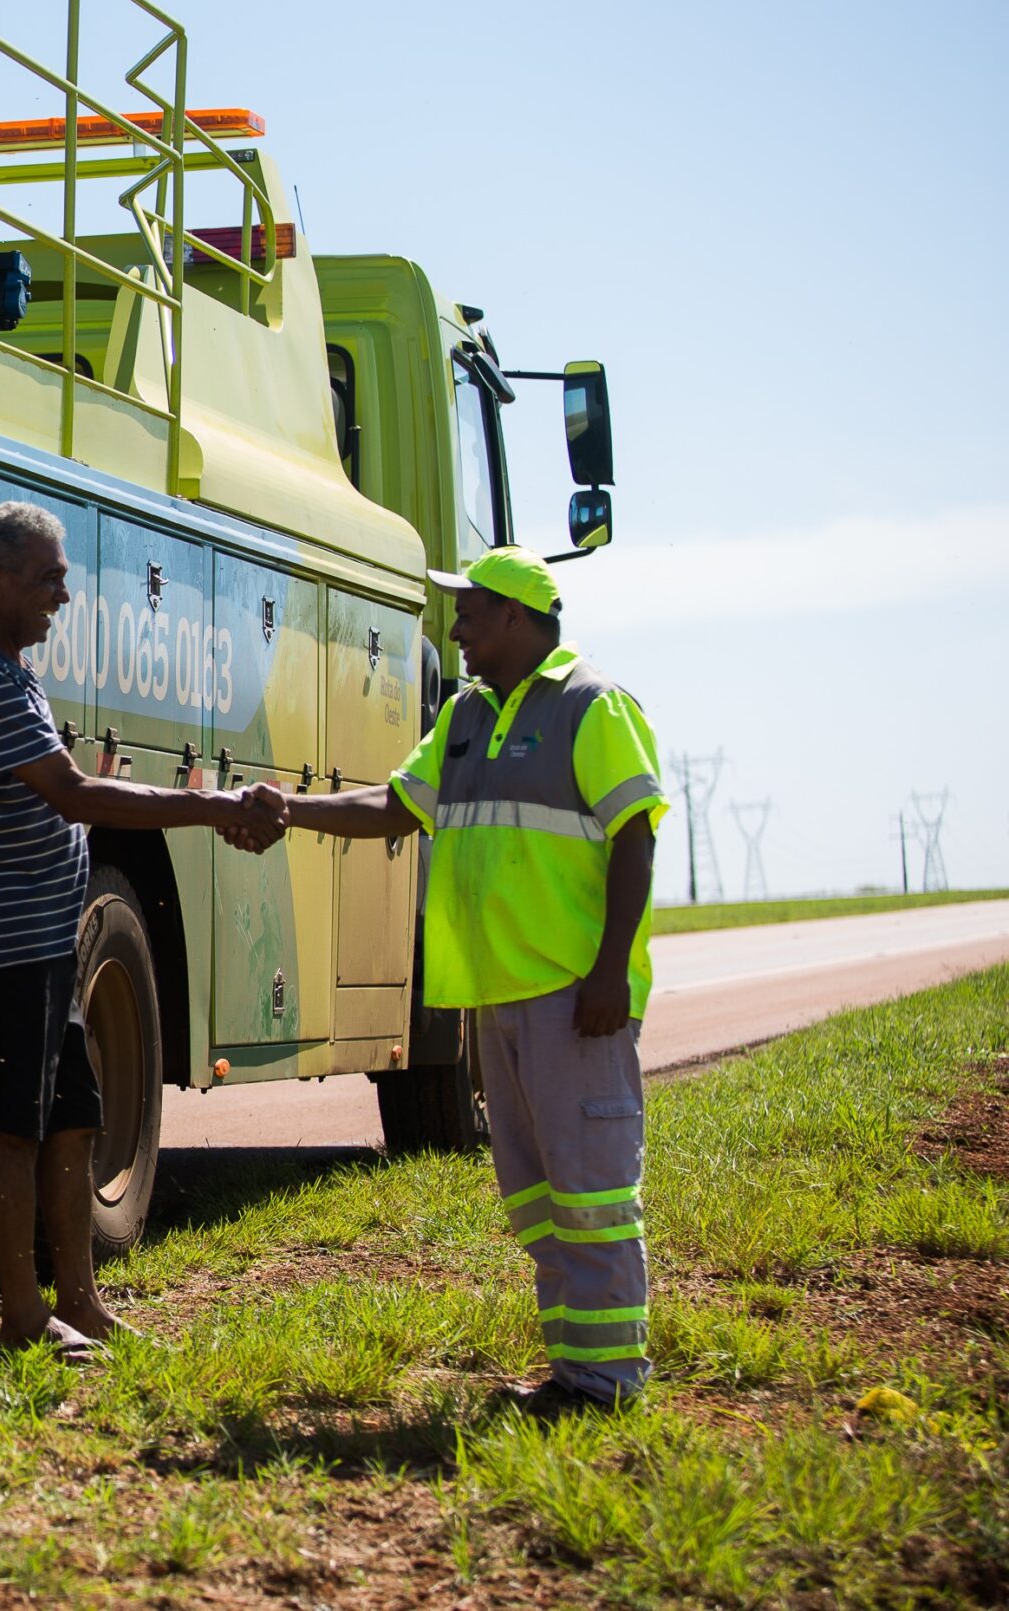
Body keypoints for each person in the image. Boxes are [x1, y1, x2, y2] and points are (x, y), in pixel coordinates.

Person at [276, 544, 662, 1414]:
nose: (457, 627)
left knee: (591, 1192)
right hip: (498, 996)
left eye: (471, 611)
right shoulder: (465, 718)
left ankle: (607, 1384)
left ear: (518, 619)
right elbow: (391, 807)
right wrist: (290, 808)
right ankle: (575, 1370)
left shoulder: (592, 705)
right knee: (537, 1196)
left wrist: (609, 972)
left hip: (574, 998)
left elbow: (635, 835)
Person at [0, 501, 286, 1358]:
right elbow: (74, 794)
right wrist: (212, 804)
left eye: (65, 580)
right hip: (0, 943)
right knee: (14, 1124)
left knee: (73, 1113)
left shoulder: (3, 667)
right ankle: (20, 1316)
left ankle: (78, 1299)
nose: (62, 597)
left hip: (41, 940)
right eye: (49, 579)